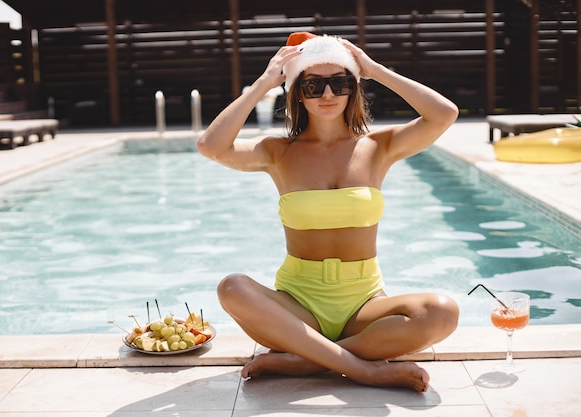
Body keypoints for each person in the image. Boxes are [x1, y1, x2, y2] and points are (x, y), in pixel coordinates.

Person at [197, 32, 460, 392]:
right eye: (313, 85)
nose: (327, 95)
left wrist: (375, 70)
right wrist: (263, 82)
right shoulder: (277, 152)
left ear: (353, 88)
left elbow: (445, 113)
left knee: (443, 312)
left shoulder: (377, 147)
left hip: (363, 304)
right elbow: (211, 146)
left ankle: (307, 360)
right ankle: (359, 368)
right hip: (296, 306)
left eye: (339, 83)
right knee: (232, 287)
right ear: (296, 92)